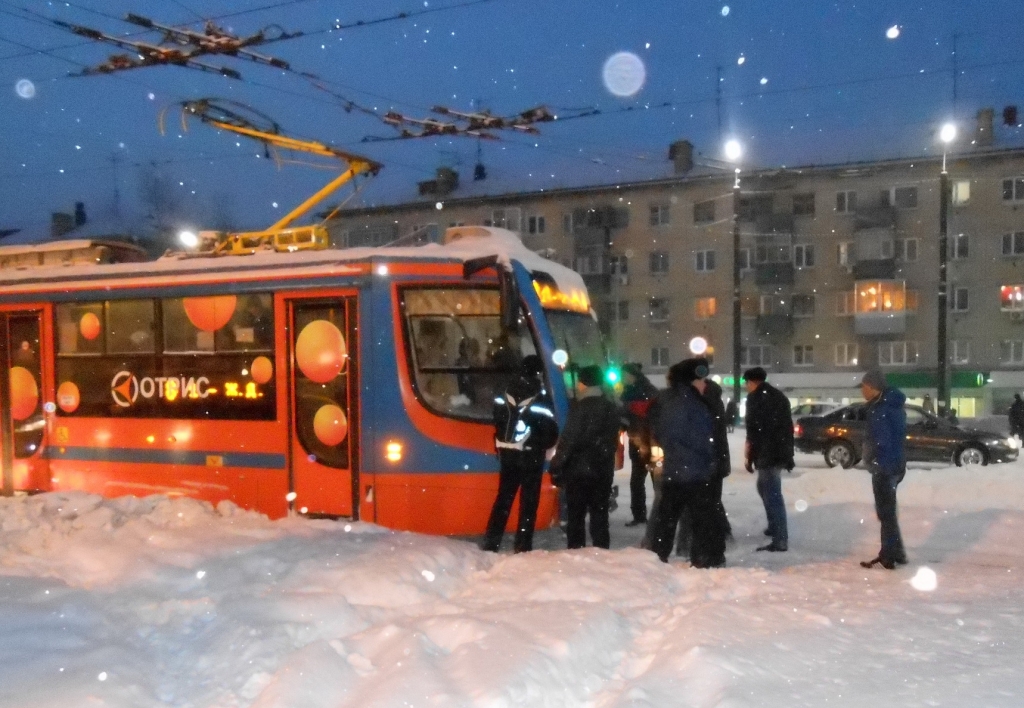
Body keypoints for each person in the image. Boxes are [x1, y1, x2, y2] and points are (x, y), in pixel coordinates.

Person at [648, 358, 724, 567]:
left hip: (681, 470)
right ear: (690, 380)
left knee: (669, 517)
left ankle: (659, 558)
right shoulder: (685, 402)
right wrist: (706, 454)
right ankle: (699, 560)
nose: (704, 384)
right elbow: (685, 435)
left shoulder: (677, 400)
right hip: (690, 470)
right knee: (695, 519)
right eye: (700, 380)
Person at [481, 355, 559, 553]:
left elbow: (497, 418)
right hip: (530, 455)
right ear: (538, 372)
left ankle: (491, 542)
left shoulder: (504, 391)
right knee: (528, 501)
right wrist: (543, 444)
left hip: (507, 452)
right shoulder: (540, 395)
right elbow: (549, 430)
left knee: (504, 498)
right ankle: (523, 544)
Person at [548, 365, 623, 549]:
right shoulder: (611, 407)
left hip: (579, 470)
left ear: (583, 384)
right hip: (602, 468)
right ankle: (601, 549)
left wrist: (557, 465)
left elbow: (569, 440)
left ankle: (577, 550)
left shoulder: (580, 408)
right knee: (599, 514)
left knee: (576, 515)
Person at [858, 369, 908, 570]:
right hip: (896, 463)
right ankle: (897, 551)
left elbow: (880, 440)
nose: (862, 391)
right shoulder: (894, 405)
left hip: (884, 465)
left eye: (864, 387)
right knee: (889, 511)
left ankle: (888, 554)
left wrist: (870, 458)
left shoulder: (880, 409)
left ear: (871, 387)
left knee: (885, 512)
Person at [743, 367, 794, 553]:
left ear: (752, 382)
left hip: (768, 452)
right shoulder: (778, 396)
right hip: (779, 450)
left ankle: (780, 538)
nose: (745, 387)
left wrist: (750, 456)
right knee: (765, 488)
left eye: (746, 383)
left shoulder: (756, 399)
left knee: (772, 493)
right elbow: (787, 426)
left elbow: (754, 430)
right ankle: (774, 526)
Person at [620, 362, 659, 527]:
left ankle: (642, 515)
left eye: (624, 375)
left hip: (643, 440)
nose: (623, 378)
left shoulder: (634, 394)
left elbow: (632, 418)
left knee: (640, 480)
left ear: (632, 375)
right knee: (652, 479)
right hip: (647, 440)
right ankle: (659, 515)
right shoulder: (649, 391)